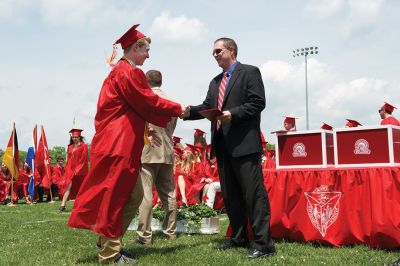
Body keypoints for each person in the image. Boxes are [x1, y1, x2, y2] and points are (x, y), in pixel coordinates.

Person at [67, 24, 186, 264]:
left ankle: (109, 242)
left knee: (134, 195)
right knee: (117, 197)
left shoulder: (120, 71)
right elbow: (147, 101)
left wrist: (144, 132)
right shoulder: (129, 72)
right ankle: (110, 253)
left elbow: (131, 108)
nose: (149, 55)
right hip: (118, 145)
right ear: (135, 47)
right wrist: (179, 109)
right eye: (146, 49)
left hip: (118, 142)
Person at [183, 37, 275, 258]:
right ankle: (239, 238)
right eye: (213, 52)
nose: (214, 55)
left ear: (231, 50)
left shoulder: (250, 72)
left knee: (254, 195)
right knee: (231, 196)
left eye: (218, 51)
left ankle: (263, 244)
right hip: (223, 147)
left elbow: (257, 102)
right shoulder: (215, 82)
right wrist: (187, 111)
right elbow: (207, 107)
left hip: (244, 145)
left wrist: (232, 114)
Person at [135, 69, 179, 245]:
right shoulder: (171, 101)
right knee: (169, 193)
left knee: (146, 194)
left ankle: (144, 236)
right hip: (167, 149)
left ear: (146, 81)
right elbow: (172, 126)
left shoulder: (144, 99)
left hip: (148, 150)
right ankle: (170, 231)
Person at [58, 128, 88, 213]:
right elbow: (69, 159)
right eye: (73, 137)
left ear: (79, 137)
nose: (74, 138)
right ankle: (62, 206)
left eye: (76, 137)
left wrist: (77, 170)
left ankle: (84, 206)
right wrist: (67, 169)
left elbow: (83, 159)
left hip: (80, 171)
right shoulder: (70, 147)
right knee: (68, 186)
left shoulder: (83, 146)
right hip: (70, 170)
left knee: (82, 189)